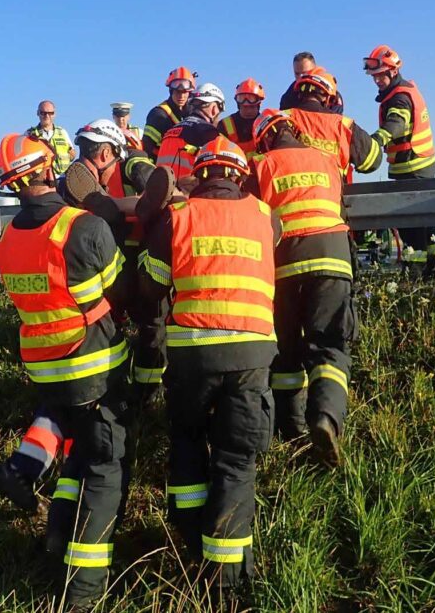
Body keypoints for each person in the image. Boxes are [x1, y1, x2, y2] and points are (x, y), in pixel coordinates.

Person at [0, 133, 132, 608]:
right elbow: (121, 288)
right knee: (103, 470)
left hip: (44, 366)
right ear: (50, 169)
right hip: (92, 365)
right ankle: (83, 591)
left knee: (75, 454)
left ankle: (55, 533)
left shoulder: (5, 242)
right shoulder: (84, 228)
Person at [138, 136, 277, 593]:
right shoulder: (263, 215)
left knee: (187, 440)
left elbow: (151, 286)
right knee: (237, 462)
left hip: (192, 352)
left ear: (199, 174)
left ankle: (187, 539)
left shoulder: (177, 218)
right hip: (252, 354)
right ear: (239, 174)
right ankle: (227, 581)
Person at [249, 109, 355, 466]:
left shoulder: (261, 164)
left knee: (287, 351)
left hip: (284, 265)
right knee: (330, 348)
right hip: (332, 258)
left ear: (265, 138)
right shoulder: (326, 159)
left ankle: (291, 434)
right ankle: (325, 417)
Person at [363, 44, 435, 277]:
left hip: (411, 168)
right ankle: (434, 267)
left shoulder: (398, 98)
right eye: (374, 76)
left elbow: (396, 124)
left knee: (411, 224)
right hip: (420, 167)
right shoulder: (407, 91)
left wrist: (375, 140)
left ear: (393, 72)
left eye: (380, 75)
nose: (376, 80)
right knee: (425, 223)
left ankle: (416, 272)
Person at [282, 70, 382, 177]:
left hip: (289, 193)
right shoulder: (343, 125)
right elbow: (373, 160)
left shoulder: (282, 119)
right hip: (331, 192)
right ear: (326, 97)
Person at [155, 83, 226, 181]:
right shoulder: (207, 131)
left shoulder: (172, 129)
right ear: (214, 109)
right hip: (187, 192)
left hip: (163, 191)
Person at [143, 67, 197, 159]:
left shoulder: (193, 112)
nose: (181, 96)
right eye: (177, 92)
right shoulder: (158, 115)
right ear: (171, 91)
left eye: (184, 92)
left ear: (189, 93)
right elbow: (148, 147)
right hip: (164, 168)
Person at [279, 52, 345, 114]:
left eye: (305, 73)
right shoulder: (288, 98)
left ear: (315, 69)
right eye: (297, 73)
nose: (300, 77)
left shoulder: (333, 96)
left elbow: (335, 120)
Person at [219, 78, 265, 163]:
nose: (248, 110)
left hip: (261, 171)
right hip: (235, 172)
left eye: (251, 107)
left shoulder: (267, 123)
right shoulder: (225, 125)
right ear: (238, 104)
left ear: (259, 104)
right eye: (244, 107)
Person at [27, 100, 75, 176]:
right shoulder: (29, 134)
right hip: (40, 180)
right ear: (37, 113)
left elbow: (72, 154)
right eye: (43, 113)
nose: (47, 116)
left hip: (62, 177)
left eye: (50, 113)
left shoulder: (62, 132)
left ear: (54, 114)